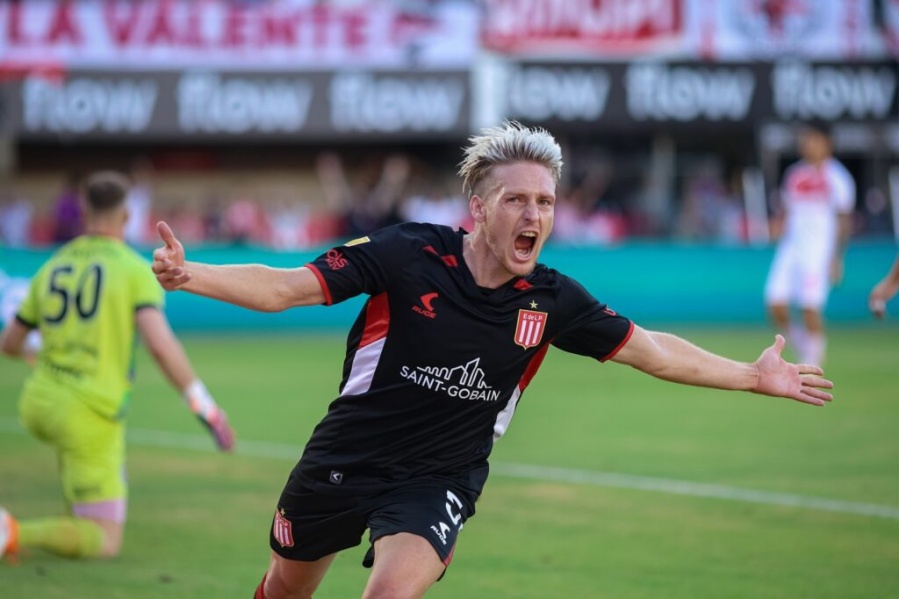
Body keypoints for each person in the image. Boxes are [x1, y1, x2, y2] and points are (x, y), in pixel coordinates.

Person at [150, 122, 833, 599]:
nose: (532, 214)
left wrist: (750, 374)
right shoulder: (405, 253)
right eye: (516, 199)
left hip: (437, 477)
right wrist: (191, 275)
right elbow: (285, 287)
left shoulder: (553, 298)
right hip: (344, 456)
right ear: (478, 208)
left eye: (544, 202)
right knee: (285, 586)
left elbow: (651, 351)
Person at [0, 171, 235, 562]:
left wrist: (49, 352)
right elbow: (160, 346)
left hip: (40, 401)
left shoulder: (53, 264)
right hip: (89, 412)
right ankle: (11, 532)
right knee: (104, 540)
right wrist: (205, 407)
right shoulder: (131, 268)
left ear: (83, 212)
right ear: (127, 215)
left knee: (80, 497)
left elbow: (10, 344)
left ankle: (63, 524)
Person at [764, 123, 855, 367]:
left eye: (813, 140)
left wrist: (837, 257)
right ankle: (802, 344)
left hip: (818, 250)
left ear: (827, 143)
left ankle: (814, 361)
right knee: (775, 303)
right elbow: (787, 209)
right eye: (805, 140)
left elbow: (844, 220)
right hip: (791, 247)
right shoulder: (794, 174)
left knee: (809, 306)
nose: (807, 145)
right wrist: (778, 225)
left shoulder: (838, 178)